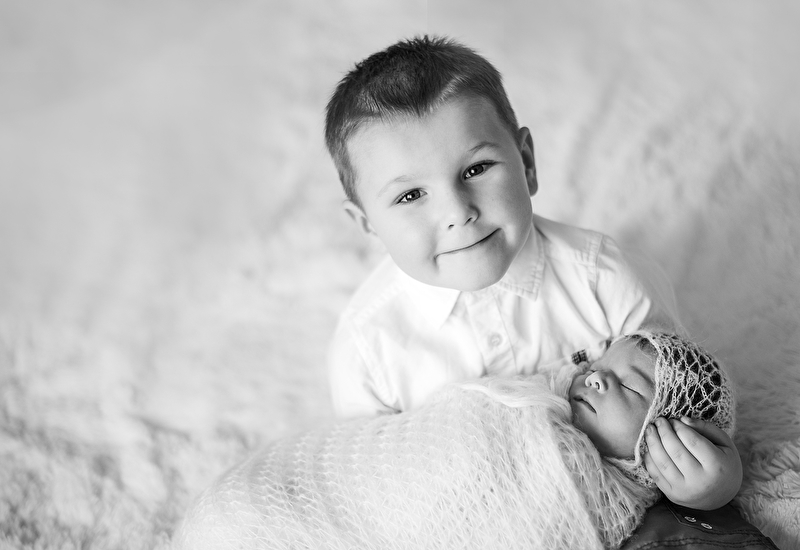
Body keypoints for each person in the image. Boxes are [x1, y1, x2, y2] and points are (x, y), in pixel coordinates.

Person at [323, 34, 741, 510]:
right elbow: (374, 496)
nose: (458, 212)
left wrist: (712, 485)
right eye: (410, 195)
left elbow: (689, 405)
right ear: (367, 224)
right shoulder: (368, 350)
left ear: (526, 162)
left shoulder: (604, 279)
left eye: (476, 169)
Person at [172, 331, 748, 550]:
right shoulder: (539, 399)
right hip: (311, 495)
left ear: (668, 440)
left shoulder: (617, 501)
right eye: (601, 363)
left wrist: (711, 490)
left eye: (632, 386)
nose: (596, 377)